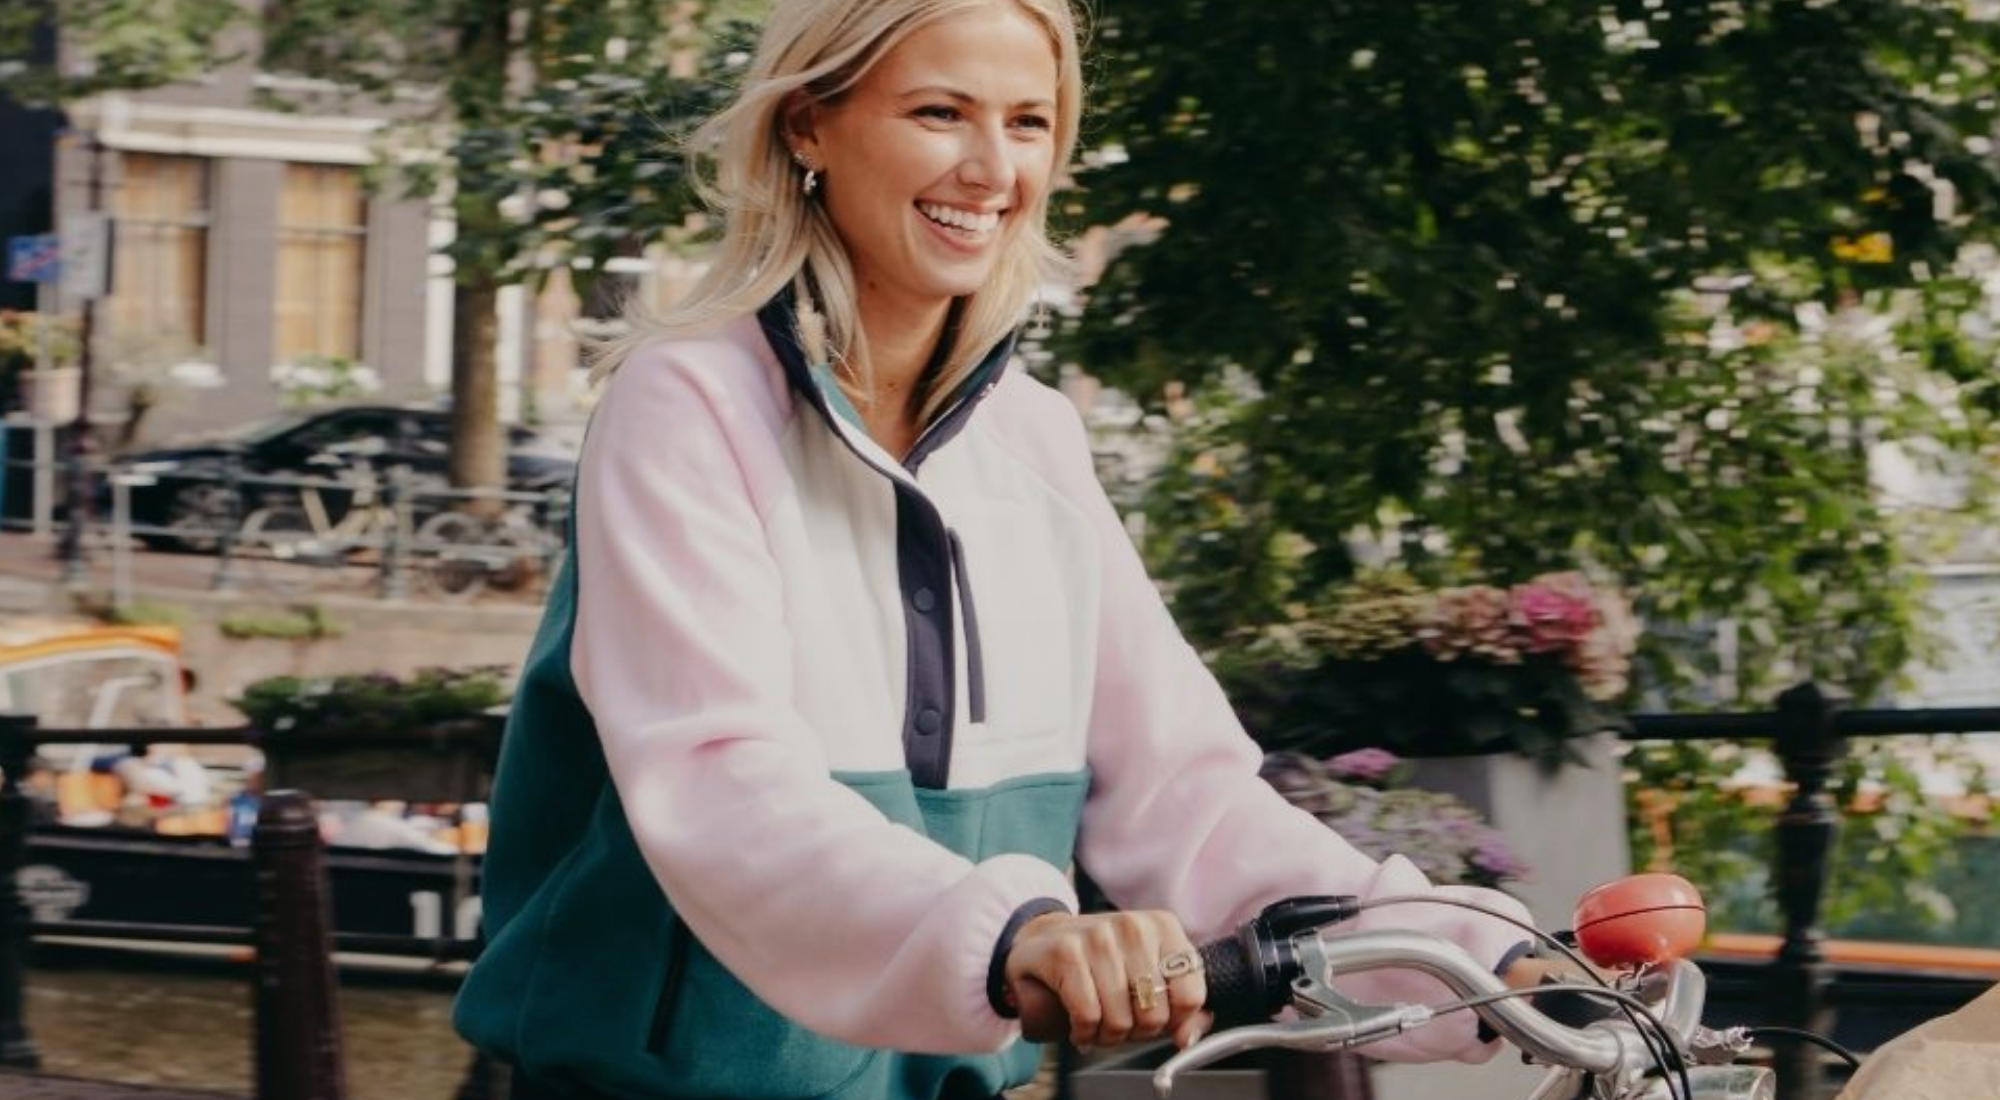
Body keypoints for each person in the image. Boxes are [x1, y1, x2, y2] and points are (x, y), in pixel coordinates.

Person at [453, 1, 1557, 1097]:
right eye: (940, 113)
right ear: (806, 125)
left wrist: (1482, 957)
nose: (992, 169)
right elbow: (718, 778)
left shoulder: (1033, 440)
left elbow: (1183, 791)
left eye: (1028, 123)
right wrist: (1017, 932)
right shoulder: (688, 401)